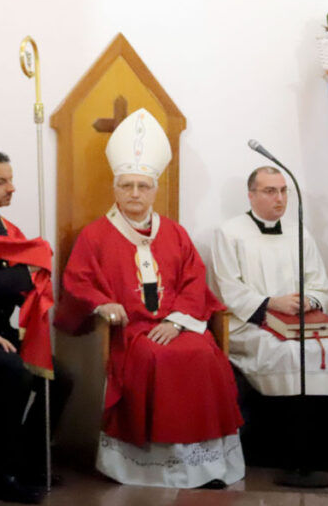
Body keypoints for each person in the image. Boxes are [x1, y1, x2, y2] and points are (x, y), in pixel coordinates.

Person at [56, 108, 244, 489]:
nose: (135, 194)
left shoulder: (174, 233)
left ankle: (203, 467)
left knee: (205, 354)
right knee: (155, 358)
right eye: (127, 185)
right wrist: (103, 304)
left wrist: (177, 322)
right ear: (115, 188)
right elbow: (77, 282)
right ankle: (157, 468)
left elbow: (194, 281)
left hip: (178, 326)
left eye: (143, 186)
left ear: (155, 190)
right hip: (131, 332)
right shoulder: (95, 235)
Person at [210, 166, 328, 473]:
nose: (280, 198)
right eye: (270, 191)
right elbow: (228, 288)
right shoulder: (229, 233)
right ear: (251, 196)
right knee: (286, 352)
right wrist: (272, 303)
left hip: (296, 321)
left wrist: (307, 301)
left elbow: (319, 283)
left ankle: (323, 455)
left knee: (325, 349)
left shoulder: (299, 232)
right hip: (249, 323)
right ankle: (289, 455)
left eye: (284, 191)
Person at [0, 150, 73, 502]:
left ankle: (29, 462)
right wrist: (23, 275)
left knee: (60, 378)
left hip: (2, 330)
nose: (12, 188)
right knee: (11, 371)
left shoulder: (10, 232)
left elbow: (19, 287)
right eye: (1, 181)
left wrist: (37, 288)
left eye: (11, 180)